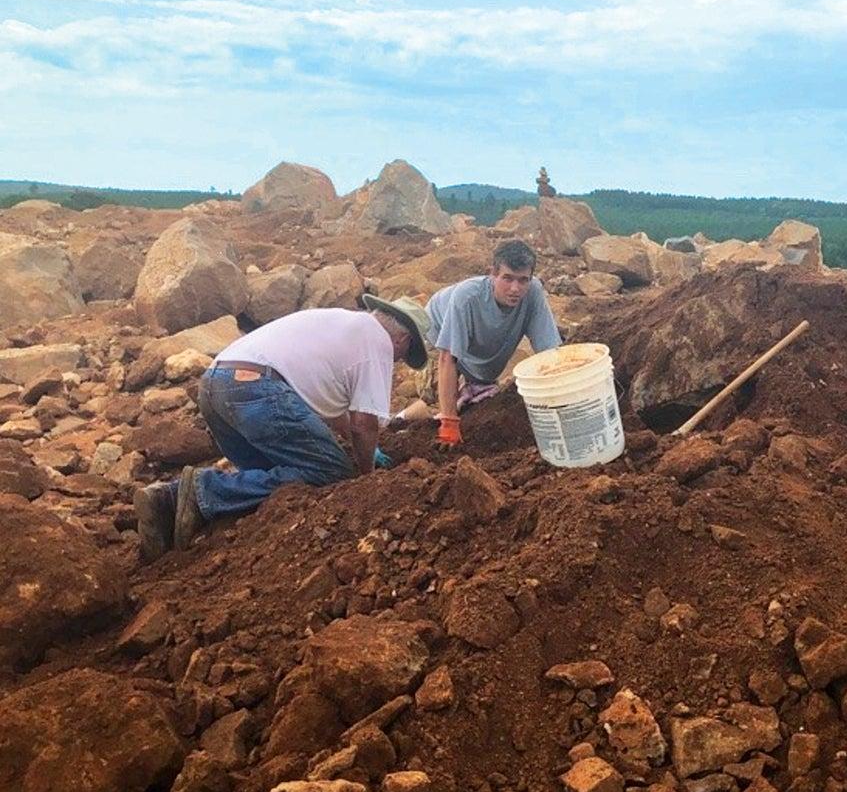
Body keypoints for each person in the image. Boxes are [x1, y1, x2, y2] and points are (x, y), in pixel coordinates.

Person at [133, 295, 430, 560]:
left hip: (216, 385)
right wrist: (367, 477)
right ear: (402, 341)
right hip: (256, 391)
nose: (397, 362)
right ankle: (202, 491)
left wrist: (364, 446)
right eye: (402, 358)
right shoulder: (377, 342)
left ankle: (166, 500)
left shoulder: (341, 324)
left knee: (279, 480)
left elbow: (337, 413)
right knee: (331, 473)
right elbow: (364, 423)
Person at [423, 238, 562, 448]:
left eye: (523, 280)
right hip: (439, 331)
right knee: (435, 405)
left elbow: (549, 352)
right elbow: (447, 358)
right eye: (507, 278)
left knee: (479, 395)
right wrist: (449, 424)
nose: (515, 288)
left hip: (480, 346)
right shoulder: (467, 297)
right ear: (492, 274)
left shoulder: (533, 292)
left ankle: (470, 387)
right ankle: (399, 420)